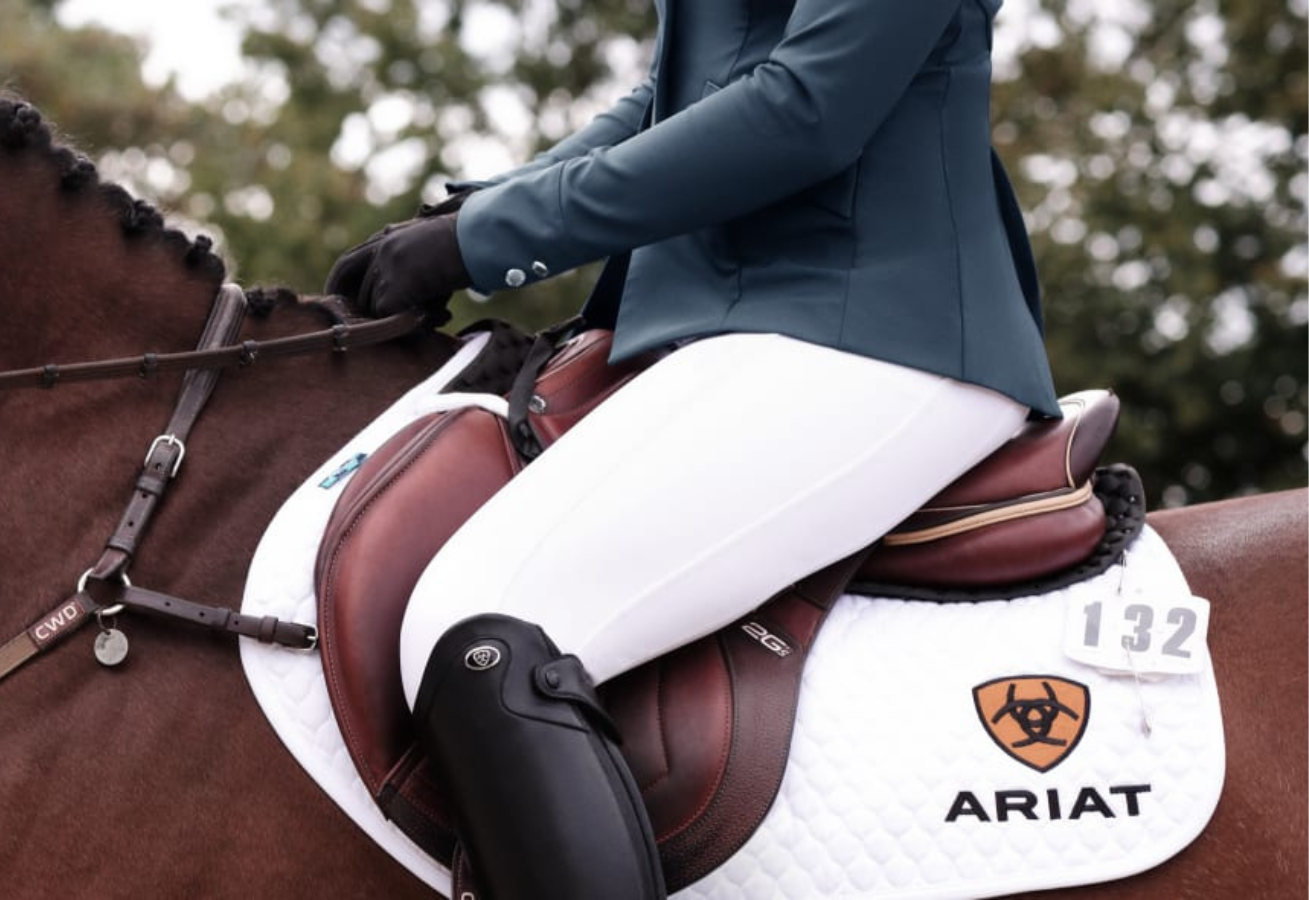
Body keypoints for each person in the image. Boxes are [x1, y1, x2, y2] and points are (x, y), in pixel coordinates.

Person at [322, 0, 1060, 896]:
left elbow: (806, 107)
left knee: (483, 624)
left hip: (876, 330)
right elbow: (679, 94)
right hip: (725, 329)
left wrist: (486, 240)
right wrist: (473, 212)